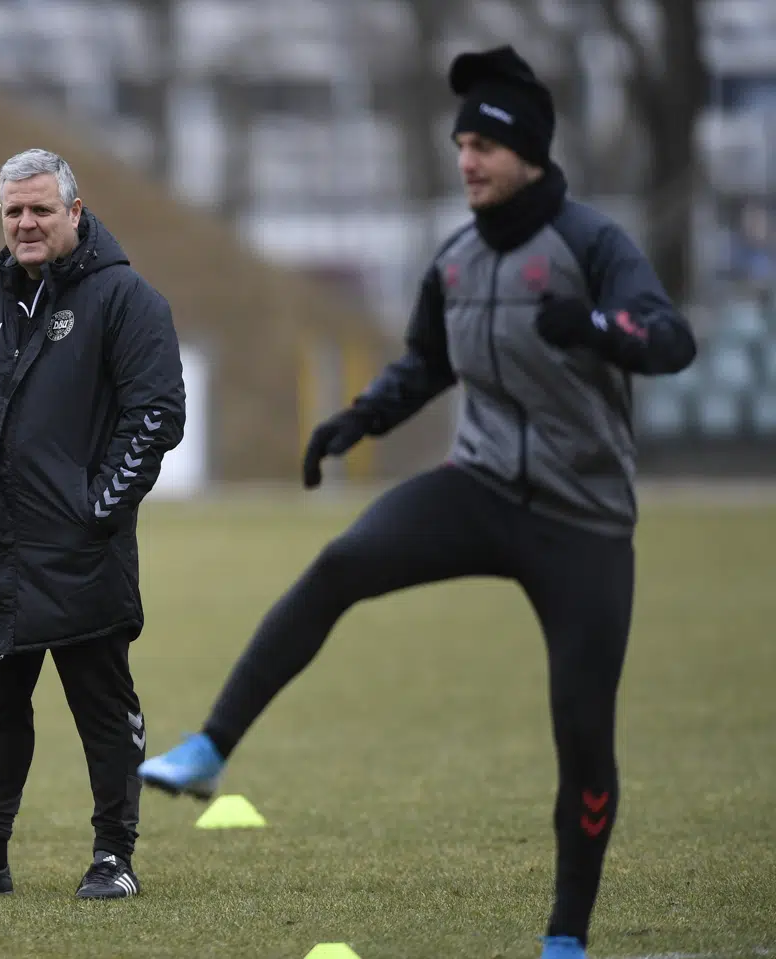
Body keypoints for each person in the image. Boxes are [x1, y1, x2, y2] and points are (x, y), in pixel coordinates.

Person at [137, 46, 697, 959]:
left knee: (584, 731)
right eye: (461, 143)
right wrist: (357, 418)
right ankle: (209, 747)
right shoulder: (459, 256)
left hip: (582, 518)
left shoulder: (592, 245)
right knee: (341, 563)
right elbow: (427, 362)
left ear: (531, 154)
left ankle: (565, 937)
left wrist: (596, 326)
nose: (467, 159)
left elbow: (671, 339)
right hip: (475, 487)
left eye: (485, 144)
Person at [0, 148, 186, 901]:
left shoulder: (126, 299)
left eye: (40, 210)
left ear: (74, 212)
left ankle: (113, 856)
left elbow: (156, 413)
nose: (26, 223)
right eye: (14, 212)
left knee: (102, 701)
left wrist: (98, 508)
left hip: (80, 550)